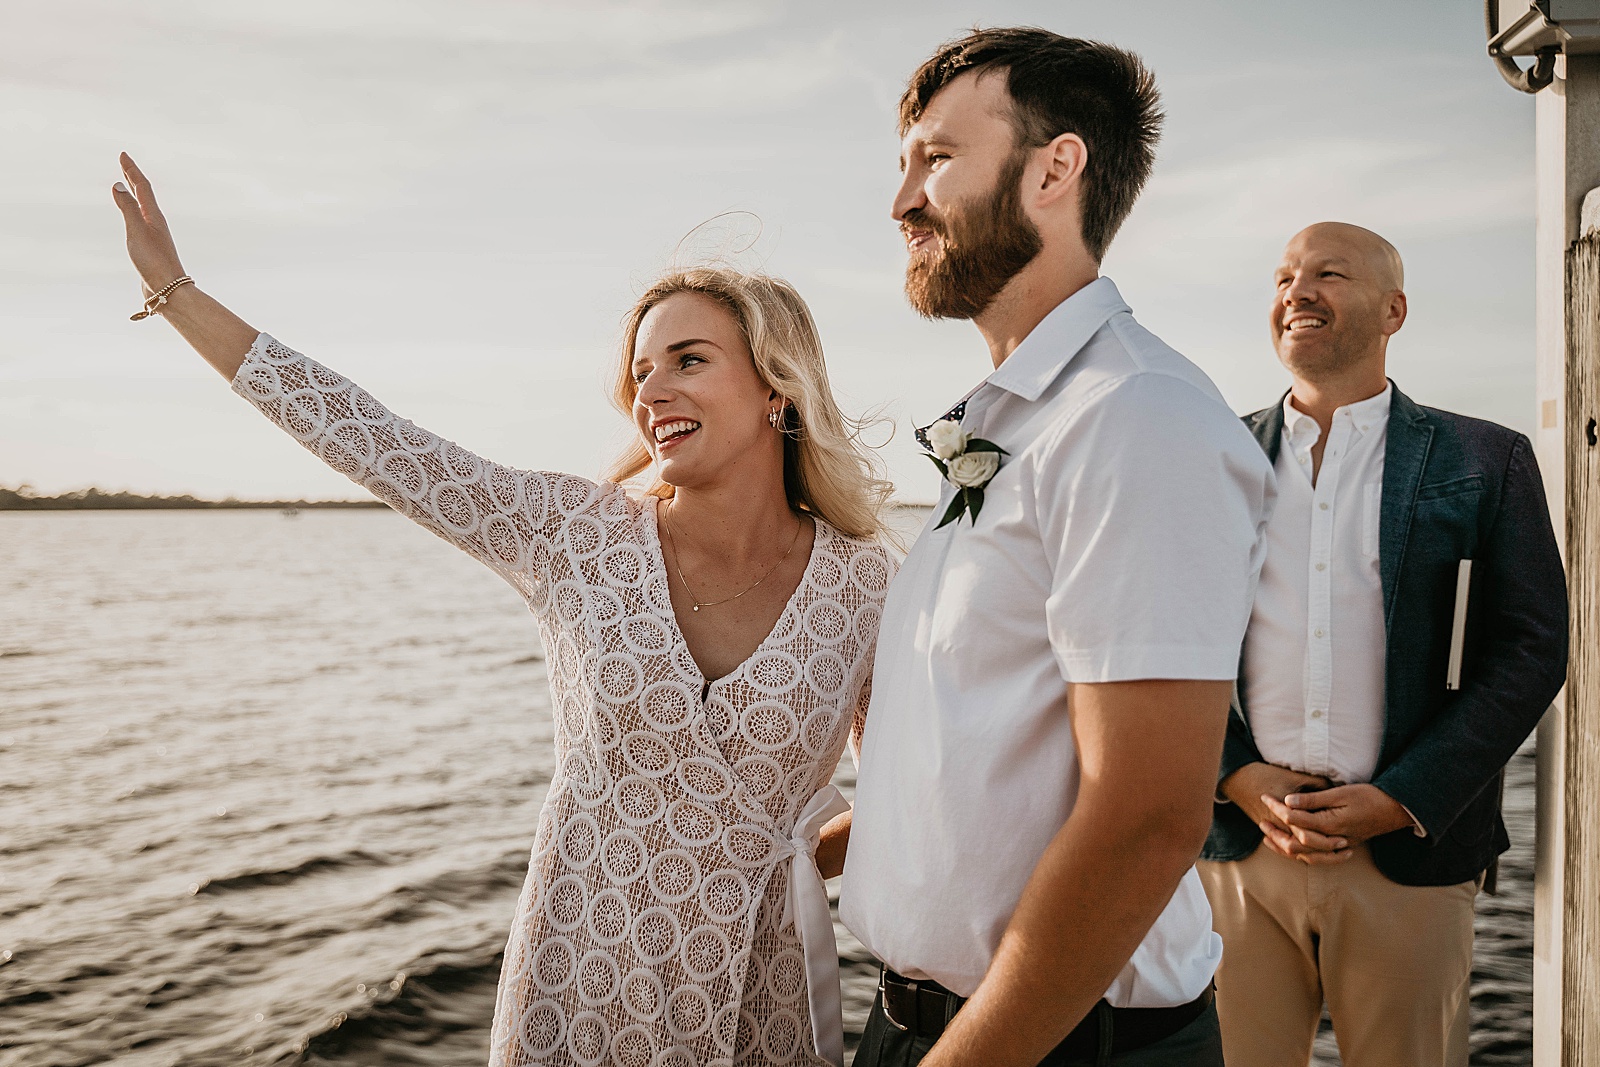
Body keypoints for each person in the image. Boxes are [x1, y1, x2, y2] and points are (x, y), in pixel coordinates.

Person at [110, 153, 897, 1067]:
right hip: (575, 984)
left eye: (690, 360)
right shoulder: (571, 534)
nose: (653, 392)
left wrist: (782, 857)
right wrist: (175, 290)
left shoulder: (864, 586)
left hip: (754, 1002)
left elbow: (904, 797)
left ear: (775, 384)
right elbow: (374, 440)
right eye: (641, 372)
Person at [838, 29, 1275, 1067]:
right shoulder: (1014, 425)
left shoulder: (1135, 418)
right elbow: (996, 754)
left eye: (935, 158)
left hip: (1054, 1040)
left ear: (1054, 168)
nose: (900, 200)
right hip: (923, 1023)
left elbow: (1146, 819)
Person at [1197, 221, 1568, 1067]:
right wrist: (1236, 774)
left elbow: (1534, 644)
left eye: (1328, 273)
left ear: (1394, 309)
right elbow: (1149, 635)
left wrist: (1404, 795)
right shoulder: (1212, 456)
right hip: (1239, 851)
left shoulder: (1486, 458)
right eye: (1285, 276)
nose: (1298, 290)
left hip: (1411, 854)